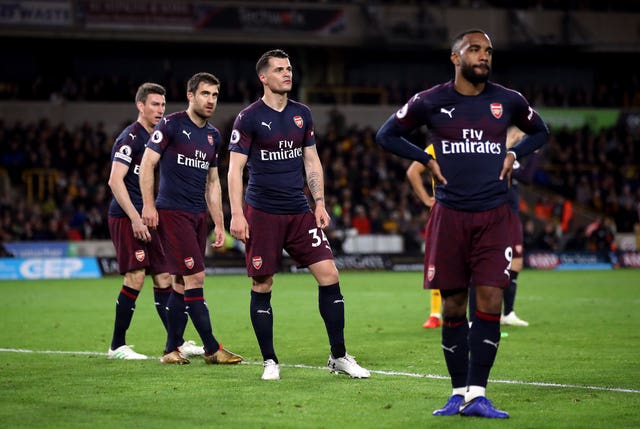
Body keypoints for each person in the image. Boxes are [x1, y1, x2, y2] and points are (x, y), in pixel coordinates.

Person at [376, 29, 549, 418]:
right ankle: (457, 393)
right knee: (453, 306)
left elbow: (541, 131)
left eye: (488, 50)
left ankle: (478, 393)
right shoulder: (430, 101)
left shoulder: (508, 100)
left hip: (494, 216)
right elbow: (385, 135)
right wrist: (426, 157)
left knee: (488, 301)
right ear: (456, 58)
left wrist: (514, 153)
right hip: (449, 216)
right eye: (475, 49)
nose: (484, 56)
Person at [227, 49, 370, 381]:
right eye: (279, 70)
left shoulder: (301, 114)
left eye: (289, 69)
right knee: (263, 283)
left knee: (329, 274)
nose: (287, 74)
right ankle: (270, 361)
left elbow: (311, 160)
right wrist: (236, 213)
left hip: (299, 211)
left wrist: (319, 202)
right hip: (262, 212)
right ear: (263, 77)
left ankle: (338, 357)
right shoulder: (248, 118)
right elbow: (234, 170)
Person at [139, 72, 242, 365]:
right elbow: (148, 163)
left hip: (198, 215)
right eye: (205, 94)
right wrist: (148, 205)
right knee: (195, 276)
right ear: (191, 96)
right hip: (173, 212)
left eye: (214, 95)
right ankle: (212, 349)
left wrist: (219, 223)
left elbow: (213, 182)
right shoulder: (170, 125)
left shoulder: (213, 135)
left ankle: (171, 351)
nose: (211, 100)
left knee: (182, 283)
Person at [106, 82, 204, 360]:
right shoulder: (131, 137)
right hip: (128, 217)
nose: (160, 110)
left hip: (151, 217)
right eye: (154, 104)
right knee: (135, 277)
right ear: (140, 106)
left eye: (163, 105)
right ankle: (116, 346)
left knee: (164, 278)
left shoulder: (161, 138)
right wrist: (135, 217)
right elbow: (115, 180)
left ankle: (177, 342)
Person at [405, 144, 441, 329]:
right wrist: (427, 199)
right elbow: (413, 171)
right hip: (444, 213)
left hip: (471, 211)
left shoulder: (477, 143)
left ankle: (474, 314)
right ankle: (435, 313)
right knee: (439, 263)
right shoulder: (435, 147)